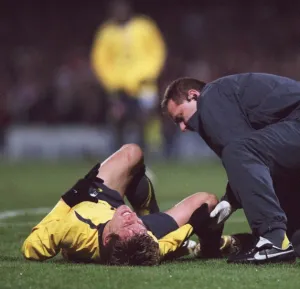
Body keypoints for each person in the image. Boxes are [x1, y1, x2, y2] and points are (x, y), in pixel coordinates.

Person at [161, 73, 300, 264]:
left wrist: (229, 201)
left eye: (180, 117)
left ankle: (273, 240)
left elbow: (241, 152)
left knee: (239, 150)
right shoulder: (229, 94)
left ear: (193, 95)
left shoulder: (210, 97)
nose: (183, 128)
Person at [22, 144, 239, 265]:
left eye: (130, 223)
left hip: (90, 200)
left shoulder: (72, 229)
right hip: (118, 219)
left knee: (132, 156)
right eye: (136, 224)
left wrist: (69, 198)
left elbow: (30, 247)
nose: (131, 216)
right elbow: (163, 245)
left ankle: (154, 214)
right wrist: (192, 225)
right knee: (208, 202)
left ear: (109, 238)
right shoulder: (142, 238)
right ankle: (211, 248)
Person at [91, 0, 166, 151]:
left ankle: (147, 153)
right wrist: (112, 82)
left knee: (145, 120)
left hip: (144, 84)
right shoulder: (106, 32)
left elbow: (157, 51)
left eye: (123, 8)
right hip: (118, 87)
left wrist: (148, 73)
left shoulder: (144, 27)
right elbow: (100, 61)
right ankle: (119, 155)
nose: (120, 11)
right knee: (117, 120)